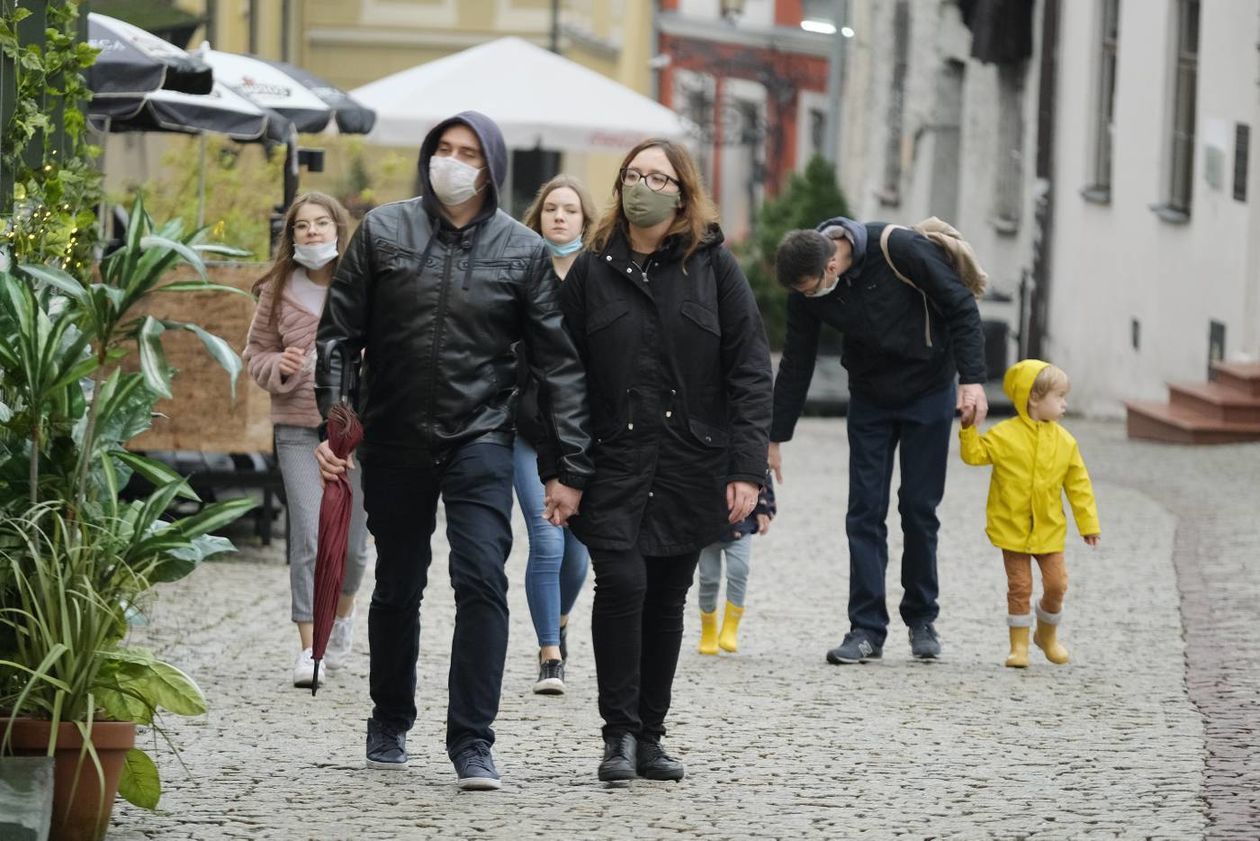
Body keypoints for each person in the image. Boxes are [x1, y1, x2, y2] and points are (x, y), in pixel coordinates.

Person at [313, 111, 592, 791]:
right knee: (400, 580)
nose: (454, 160)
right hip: (396, 433)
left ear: (491, 166)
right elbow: (338, 337)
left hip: (482, 436)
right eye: (445, 148)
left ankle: (473, 739)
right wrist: (338, 424)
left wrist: (570, 464)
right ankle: (390, 715)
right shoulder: (383, 230)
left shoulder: (521, 249)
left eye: (468, 152)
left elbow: (560, 365)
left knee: (480, 579)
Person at [553, 138, 772, 783]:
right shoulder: (593, 268)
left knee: (667, 600)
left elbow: (750, 369)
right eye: (633, 175)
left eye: (659, 176)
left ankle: (651, 735)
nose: (643, 185)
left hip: (689, 463)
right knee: (623, 586)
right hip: (611, 462)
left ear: (683, 191)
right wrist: (561, 469)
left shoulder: (713, 265)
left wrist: (746, 467)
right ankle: (616, 734)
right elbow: (557, 373)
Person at [770, 219, 989, 664]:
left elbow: (961, 306)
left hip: (928, 390)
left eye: (812, 288)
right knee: (864, 511)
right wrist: (774, 436)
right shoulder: (806, 284)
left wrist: (973, 381)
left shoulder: (901, 249)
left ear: (833, 263)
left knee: (918, 508)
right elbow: (796, 361)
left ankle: (922, 618)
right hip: (870, 398)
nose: (809, 298)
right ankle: (866, 628)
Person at [244, 192, 370, 689]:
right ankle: (309, 648)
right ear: (291, 236)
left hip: (353, 432)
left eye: (321, 224)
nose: (313, 233)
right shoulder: (278, 288)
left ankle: (342, 614)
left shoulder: (361, 285)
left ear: (338, 229)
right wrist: (279, 366)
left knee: (355, 549)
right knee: (311, 536)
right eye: (302, 226)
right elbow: (255, 353)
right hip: (296, 427)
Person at [959, 359, 1100, 668]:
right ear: (1034, 398)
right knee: (1020, 586)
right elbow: (974, 455)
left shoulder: (1065, 442)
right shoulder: (1005, 435)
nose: (1064, 404)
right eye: (1059, 397)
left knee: (1057, 585)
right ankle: (1018, 646)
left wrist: (1088, 524)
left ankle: (1046, 636)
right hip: (1013, 527)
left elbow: (1079, 485)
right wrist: (969, 428)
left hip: (1049, 529)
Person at [515, 175, 597, 695]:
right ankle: (550, 653)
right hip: (526, 427)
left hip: (586, 433)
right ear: (539, 217)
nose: (560, 217)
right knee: (547, 538)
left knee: (578, 551)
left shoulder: (600, 275)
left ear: (585, 221)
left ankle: (560, 621)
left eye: (570, 210)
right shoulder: (521, 270)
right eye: (551, 209)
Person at [696, 471, 776, 655]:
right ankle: (708, 631)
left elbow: (760, 469)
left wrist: (764, 509)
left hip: (741, 524)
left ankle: (730, 628)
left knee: (739, 572)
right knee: (708, 578)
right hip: (707, 526)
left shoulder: (745, 443)